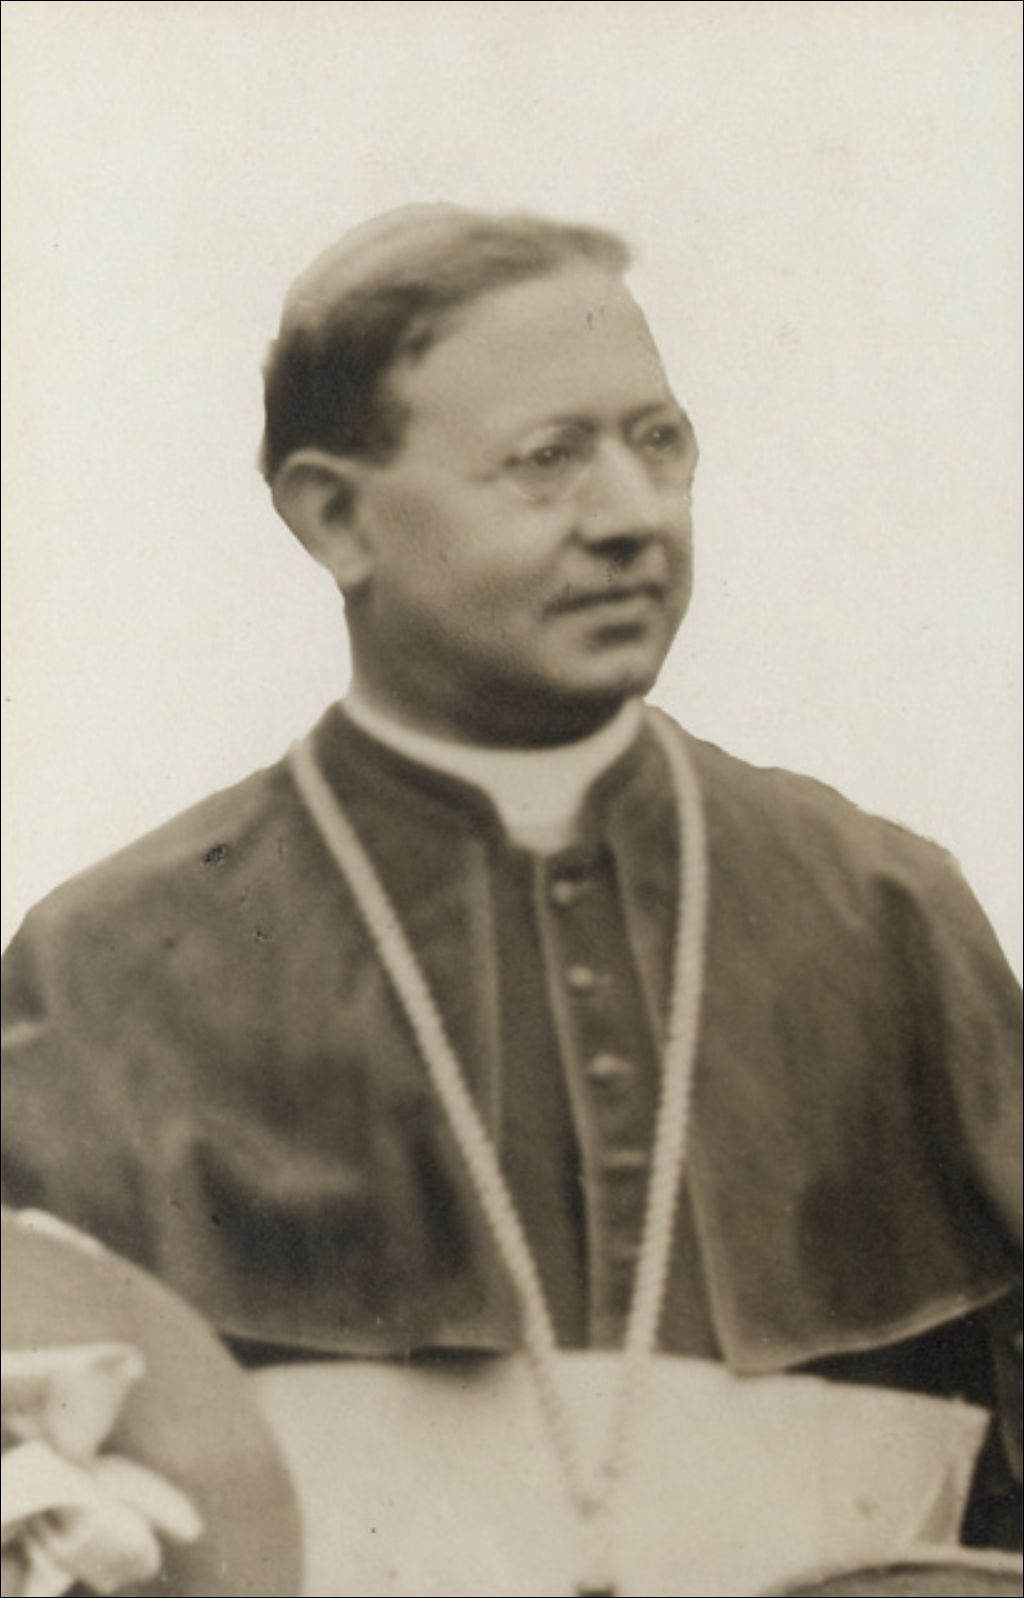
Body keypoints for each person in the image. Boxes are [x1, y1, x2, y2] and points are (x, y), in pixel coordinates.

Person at [2, 205, 1021, 1589]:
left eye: (659, 443)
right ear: (334, 516)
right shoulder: (109, 973)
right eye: (548, 460)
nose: (632, 515)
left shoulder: (891, 915)